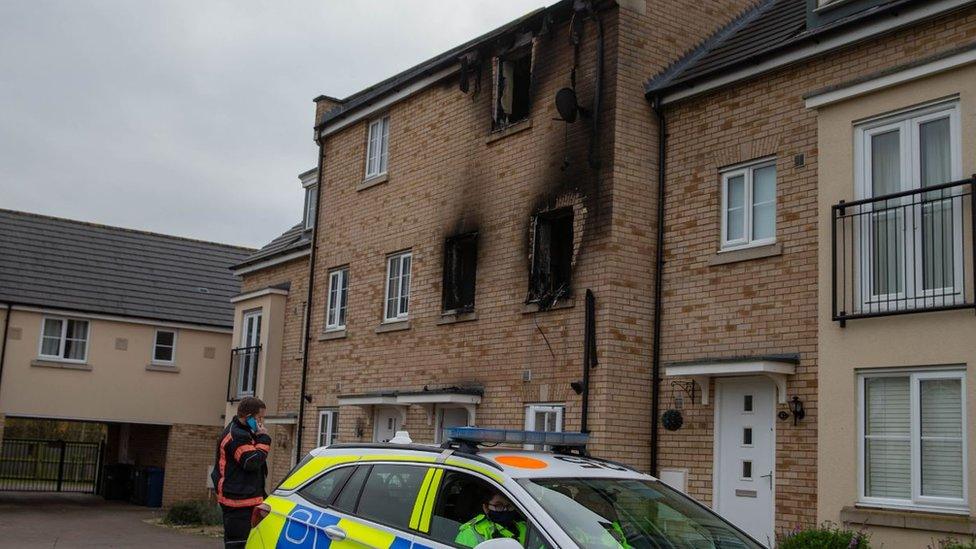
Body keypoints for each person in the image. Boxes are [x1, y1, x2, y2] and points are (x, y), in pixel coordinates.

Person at [211, 396, 272, 548]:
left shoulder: (245, 432)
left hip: (246, 497)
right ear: (249, 417)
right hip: (237, 502)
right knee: (238, 544)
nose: (261, 422)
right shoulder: (237, 435)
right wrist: (264, 438)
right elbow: (251, 462)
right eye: (259, 418)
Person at [455, 490, 527, 547]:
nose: (505, 509)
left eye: (509, 505)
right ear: (486, 508)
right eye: (498, 506)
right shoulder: (471, 534)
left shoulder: (526, 527)